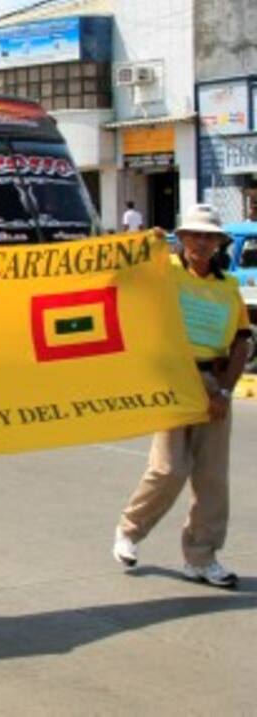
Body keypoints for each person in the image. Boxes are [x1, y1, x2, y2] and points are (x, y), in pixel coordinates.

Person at [113, 204, 252, 588]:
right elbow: (121, 278)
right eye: (195, 235)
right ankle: (130, 530)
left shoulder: (227, 285)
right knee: (169, 467)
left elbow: (241, 340)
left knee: (211, 479)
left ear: (218, 242)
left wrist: (225, 389)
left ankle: (201, 557)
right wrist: (141, 245)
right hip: (173, 379)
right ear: (182, 238)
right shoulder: (164, 272)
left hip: (213, 379)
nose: (202, 242)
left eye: (209, 236)